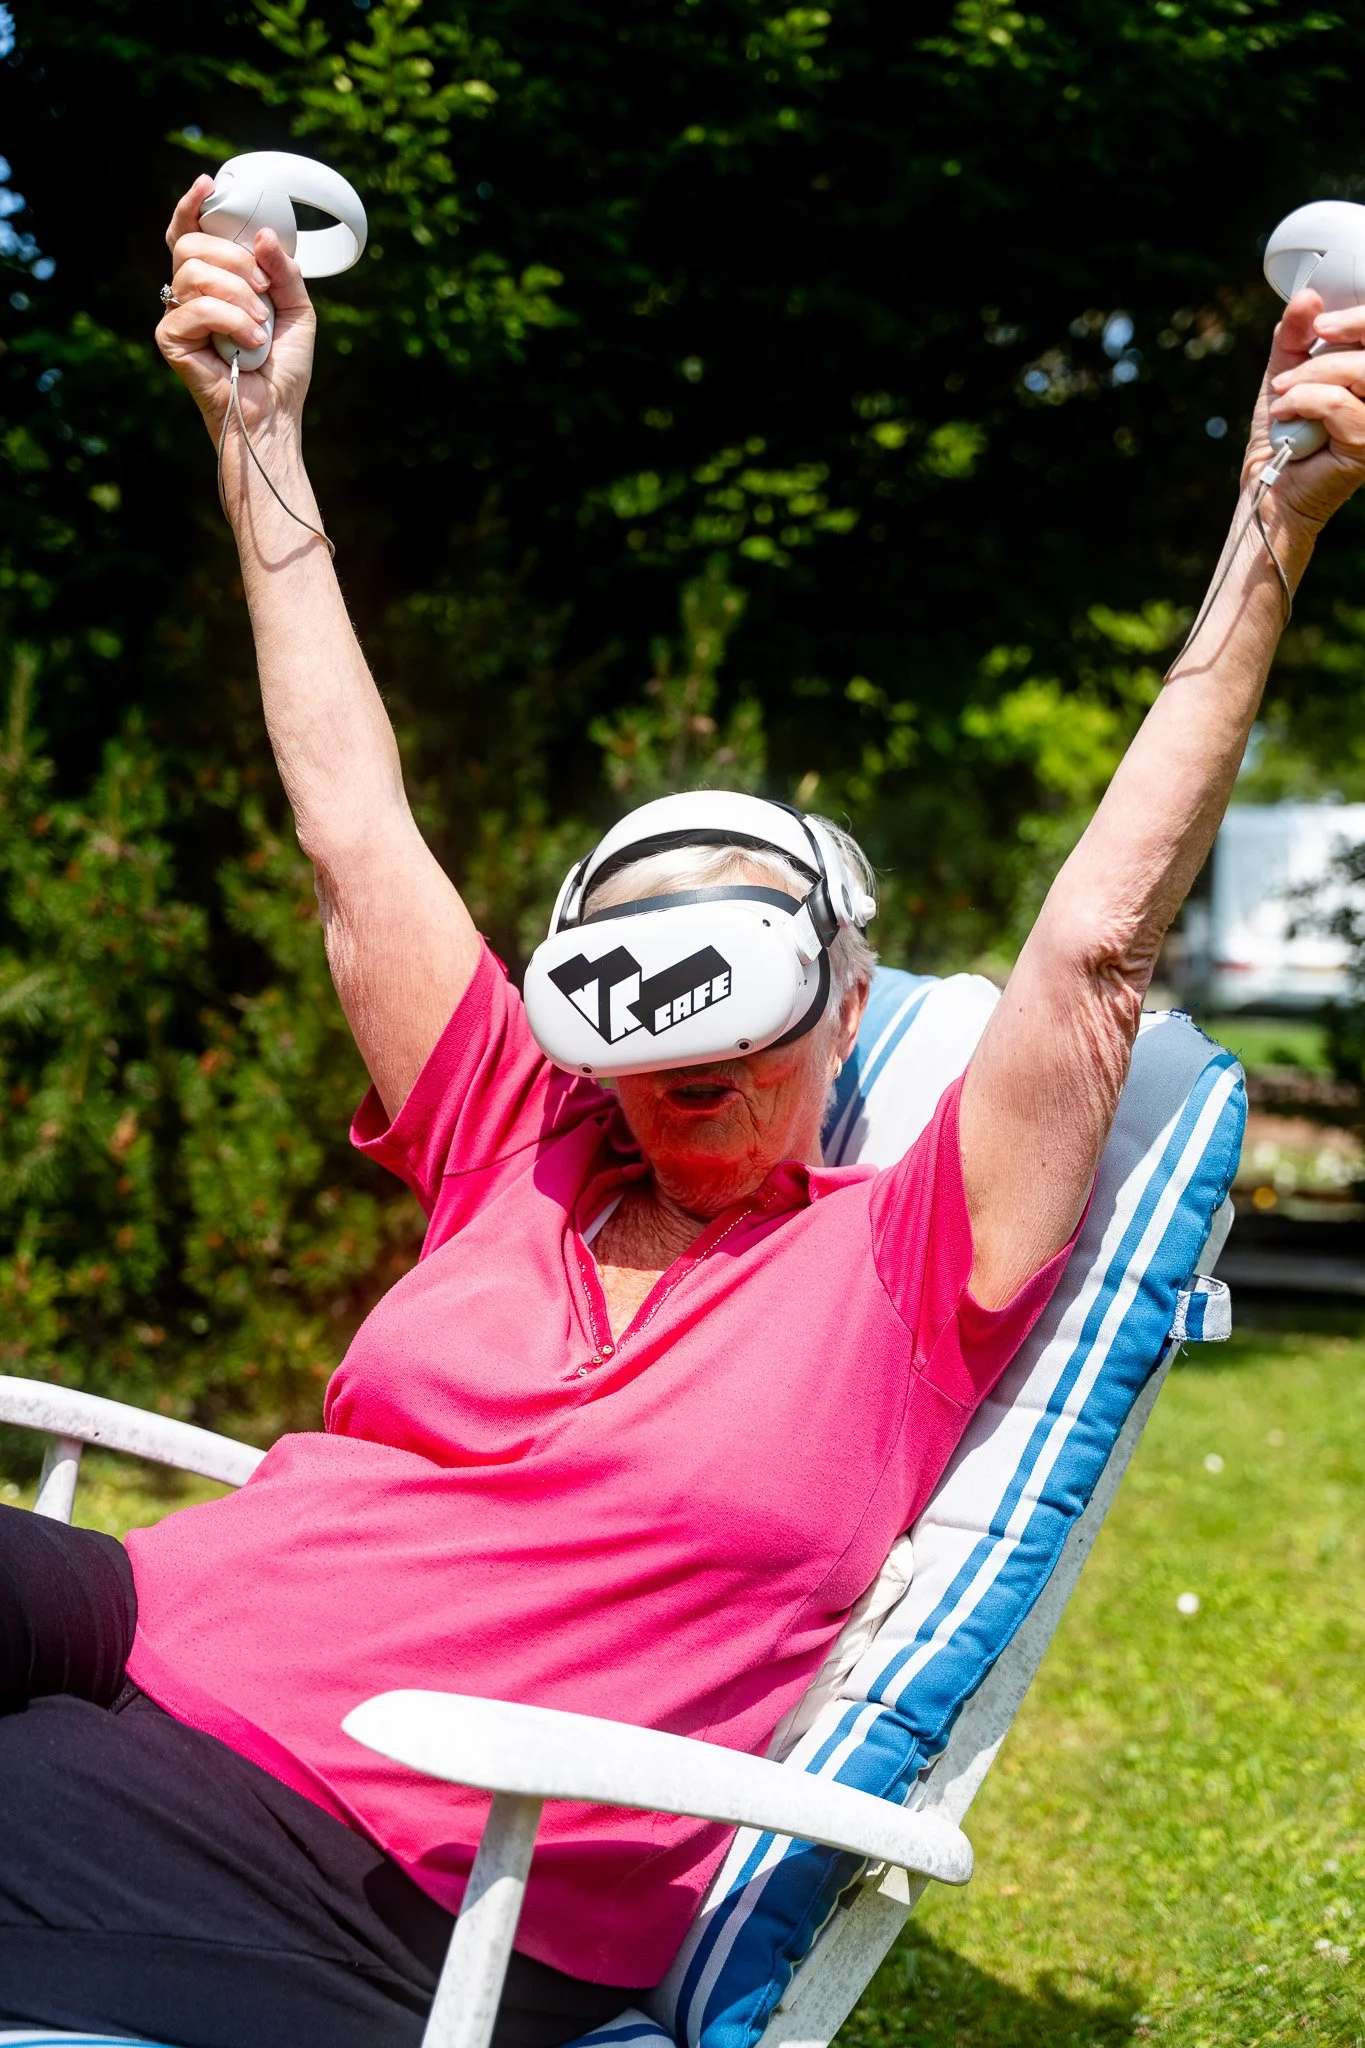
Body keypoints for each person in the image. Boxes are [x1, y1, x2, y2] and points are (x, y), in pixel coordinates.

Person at [3, 174, 1364, 2048]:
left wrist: (1270, 521)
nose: (681, 1087)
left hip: (363, 1839)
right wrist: (258, 430)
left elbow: (1101, 950)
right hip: (141, 1614)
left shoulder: (906, 1266)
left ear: (850, 1000)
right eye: (638, 1029)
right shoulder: (520, 1140)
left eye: (737, 1015)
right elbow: (349, 833)